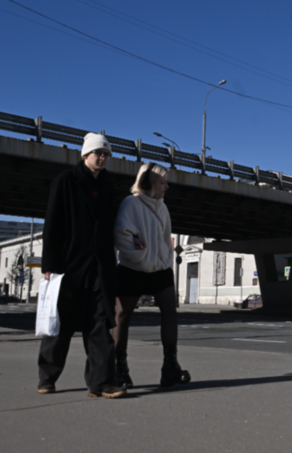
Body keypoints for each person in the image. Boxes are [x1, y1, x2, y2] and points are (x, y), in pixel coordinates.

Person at [37, 132, 126, 399]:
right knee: (61, 323)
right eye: (98, 153)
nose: (103, 158)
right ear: (85, 154)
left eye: (107, 154)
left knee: (99, 322)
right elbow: (52, 224)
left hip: (99, 266)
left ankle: (102, 382)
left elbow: (111, 225)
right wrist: (49, 263)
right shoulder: (66, 181)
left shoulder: (108, 185)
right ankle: (47, 377)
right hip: (68, 265)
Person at [113, 162, 190, 388]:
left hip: (160, 269)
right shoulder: (131, 203)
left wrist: (164, 260)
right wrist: (142, 256)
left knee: (170, 311)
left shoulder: (162, 207)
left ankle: (170, 367)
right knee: (122, 316)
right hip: (132, 269)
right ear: (147, 183)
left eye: (166, 183)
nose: (166, 187)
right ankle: (121, 369)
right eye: (162, 183)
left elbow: (167, 239)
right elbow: (120, 235)